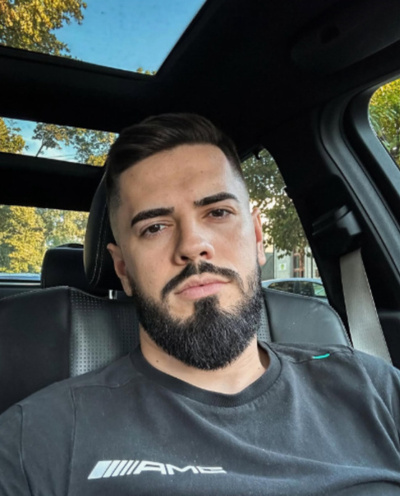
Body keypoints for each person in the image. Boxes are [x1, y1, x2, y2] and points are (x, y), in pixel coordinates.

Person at [0, 113, 400, 495]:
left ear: (257, 237)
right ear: (123, 269)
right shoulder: (36, 441)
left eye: (218, 212)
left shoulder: (373, 388)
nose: (192, 245)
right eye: (155, 227)